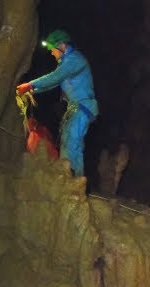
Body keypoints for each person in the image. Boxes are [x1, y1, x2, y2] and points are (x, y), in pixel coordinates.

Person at [14, 29, 97, 178]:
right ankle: (76, 181)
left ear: (62, 45)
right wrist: (31, 92)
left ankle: (70, 182)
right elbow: (52, 84)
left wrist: (29, 84)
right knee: (71, 143)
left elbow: (55, 77)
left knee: (70, 143)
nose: (52, 53)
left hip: (82, 107)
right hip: (78, 108)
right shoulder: (66, 63)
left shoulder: (75, 59)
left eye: (53, 49)